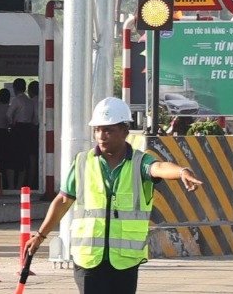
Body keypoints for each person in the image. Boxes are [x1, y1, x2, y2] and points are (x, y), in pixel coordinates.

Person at [25, 97, 204, 294]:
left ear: (125, 131)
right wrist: (40, 236)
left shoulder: (139, 162)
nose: (102, 136)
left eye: (108, 130)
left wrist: (181, 172)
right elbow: (63, 201)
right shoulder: (83, 162)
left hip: (124, 262)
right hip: (89, 259)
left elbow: (159, 167)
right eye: (98, 129)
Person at [8, 77, 38, 187]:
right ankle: (20, 186)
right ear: (25, 88)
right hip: (28, 131)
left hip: (17, 130)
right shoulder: (30, 101)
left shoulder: (16, 100)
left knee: (12, 158)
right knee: (24, 158)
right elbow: (35, 118)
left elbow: (8, 115)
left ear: (14, 88)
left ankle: (11, 186)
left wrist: (11, 123)